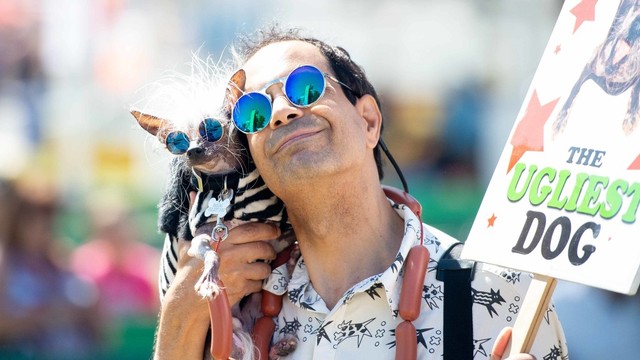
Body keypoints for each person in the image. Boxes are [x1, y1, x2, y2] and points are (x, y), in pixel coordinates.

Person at [153, 27, 568, 360]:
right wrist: (182, 309)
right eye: (254, 112)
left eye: (306, 88)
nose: (281, 110)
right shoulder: (232, 306)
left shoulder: (503, 294)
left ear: (368, 121)